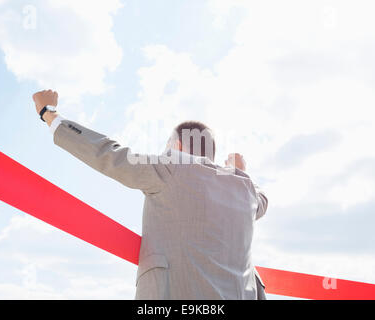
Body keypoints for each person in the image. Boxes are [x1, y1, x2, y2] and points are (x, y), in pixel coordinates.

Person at [32, 89, 268, 300]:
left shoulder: (171, 167)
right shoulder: (243, 189)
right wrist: (240, 172)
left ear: (176, 147)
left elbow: (110, 154)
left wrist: (50, 114)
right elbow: (261, 202)